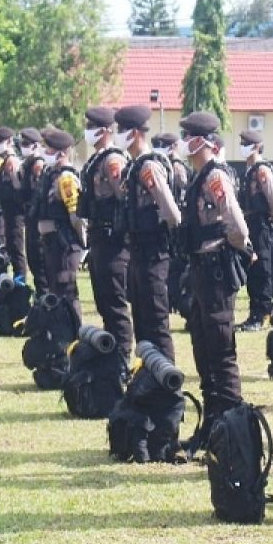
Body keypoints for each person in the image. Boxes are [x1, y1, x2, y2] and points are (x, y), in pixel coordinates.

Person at [177, 112, 252, 447]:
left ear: (201, 141)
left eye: (188, 135)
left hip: (216, 271)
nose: (183, 141)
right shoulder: (200, 175)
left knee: (221, 352)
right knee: (204, 350)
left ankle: (232, 430)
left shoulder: (214, 177)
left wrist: (233, 249)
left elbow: (237, 227)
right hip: (201, 270)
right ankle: (212, 426)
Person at [115, 106, 181, 362]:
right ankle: (149, 378)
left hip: (154, 254)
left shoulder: (148, 168)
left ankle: (168, 384)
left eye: (122, 131)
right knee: (142, 321)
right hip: (138, 252)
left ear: (133, 133)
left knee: (156, 322)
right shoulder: (133, 167)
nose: (118, 135)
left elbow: (172, 214)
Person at [79, 106, 133, 366]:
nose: (87, 132)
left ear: (103, 131)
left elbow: (124, 198)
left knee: (115, 304)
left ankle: (122, 359)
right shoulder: (96, 160)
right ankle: (112, 356)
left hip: (114, 241)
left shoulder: (113, 161)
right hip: (98, 238)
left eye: (91, 127)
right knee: (104, 303)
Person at [237, 129, 273, 332]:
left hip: (261, 223)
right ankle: (254, 312)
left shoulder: (262, 170)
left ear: (256, 146)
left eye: (245, 144)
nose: (241, 147)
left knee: (262, 269)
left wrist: (271, 221)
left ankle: (263, 312)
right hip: (249, 222)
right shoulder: (248, 169)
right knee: (252, 268)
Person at [36, 128, 85, 316]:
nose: (44, 154)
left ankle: (73, 331)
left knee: (67, 292)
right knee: (56, 290)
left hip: (64, 244)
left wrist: (83, 244)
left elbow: (76, 216)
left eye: (48, 150)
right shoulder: (51, 174)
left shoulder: (66, 179)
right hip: (52, 243)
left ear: (62, 153)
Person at [0, 126, 28, 281]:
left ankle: (20, 281)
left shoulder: (11, 162)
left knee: (16, 248)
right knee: (12, 248)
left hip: (15, 213)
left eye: (0, 141)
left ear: (10, 142)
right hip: (8, 212)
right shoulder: (5, 161)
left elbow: (18, 187)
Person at [19, 127, 49, 295]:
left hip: (37, 219)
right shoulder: (27, 164)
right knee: (32, 259)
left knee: (39, 259)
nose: (23, 146)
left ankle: (44, 295)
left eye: (27, 144)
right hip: (29, 217)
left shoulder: (38, 164)